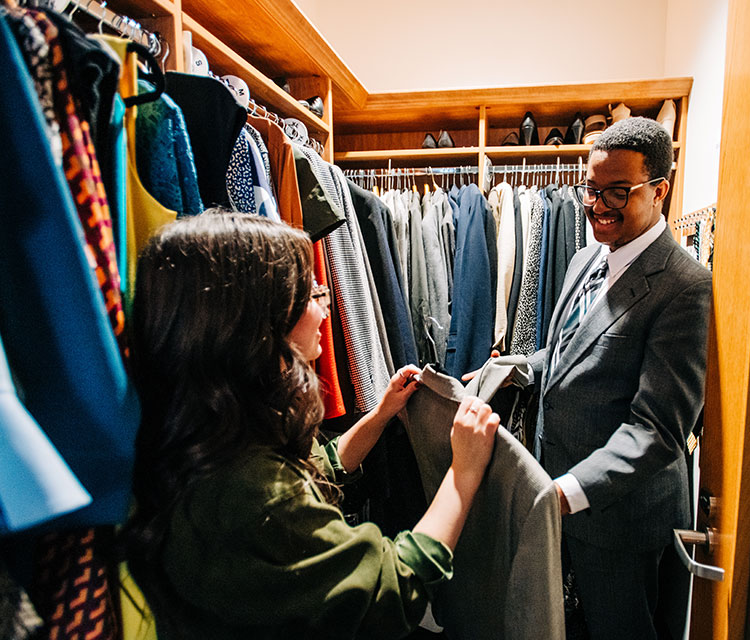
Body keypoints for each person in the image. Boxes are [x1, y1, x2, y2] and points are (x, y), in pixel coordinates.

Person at [122, 211, 500, 640]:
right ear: (257, 320)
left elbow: (316, 467)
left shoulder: (196, 435)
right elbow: (389, 590)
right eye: (308, 292)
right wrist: (463, 474)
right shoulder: (249, 487)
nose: (323, 308)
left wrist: (379, 415)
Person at [480, 117, 711, 639]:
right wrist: (507, 370)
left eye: (617, 192)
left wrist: (567, 492)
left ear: (659, 192)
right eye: (590, 188)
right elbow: (564, 353)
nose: (597, 205)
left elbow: (658, 429)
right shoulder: (587, 258)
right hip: (562, 498)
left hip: (620, 522)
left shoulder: (683, 287)